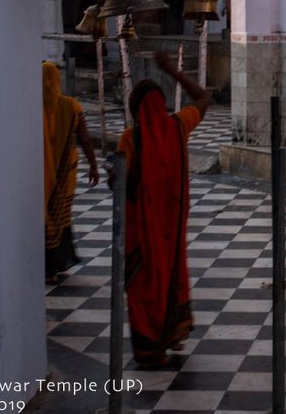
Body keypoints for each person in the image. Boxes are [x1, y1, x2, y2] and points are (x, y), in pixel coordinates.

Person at [118, 50, 210, 368]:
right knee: (170, 273)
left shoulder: (130, 140)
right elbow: (203, 99)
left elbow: (118, 187)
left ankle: (150, 350)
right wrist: (174, 71)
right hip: (170, 230)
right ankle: (171, 335)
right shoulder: (177, 127)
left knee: (144, 286)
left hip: (140, 235)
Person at [42, 61, 99, 284]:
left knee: (45, 218)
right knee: (60, 217)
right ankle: (52, 267)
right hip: (65, 175)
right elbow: (85, 138)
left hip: (40, 176)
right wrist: (93, 165)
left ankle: (50, 266)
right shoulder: (71, 106)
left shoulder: (29, 107)